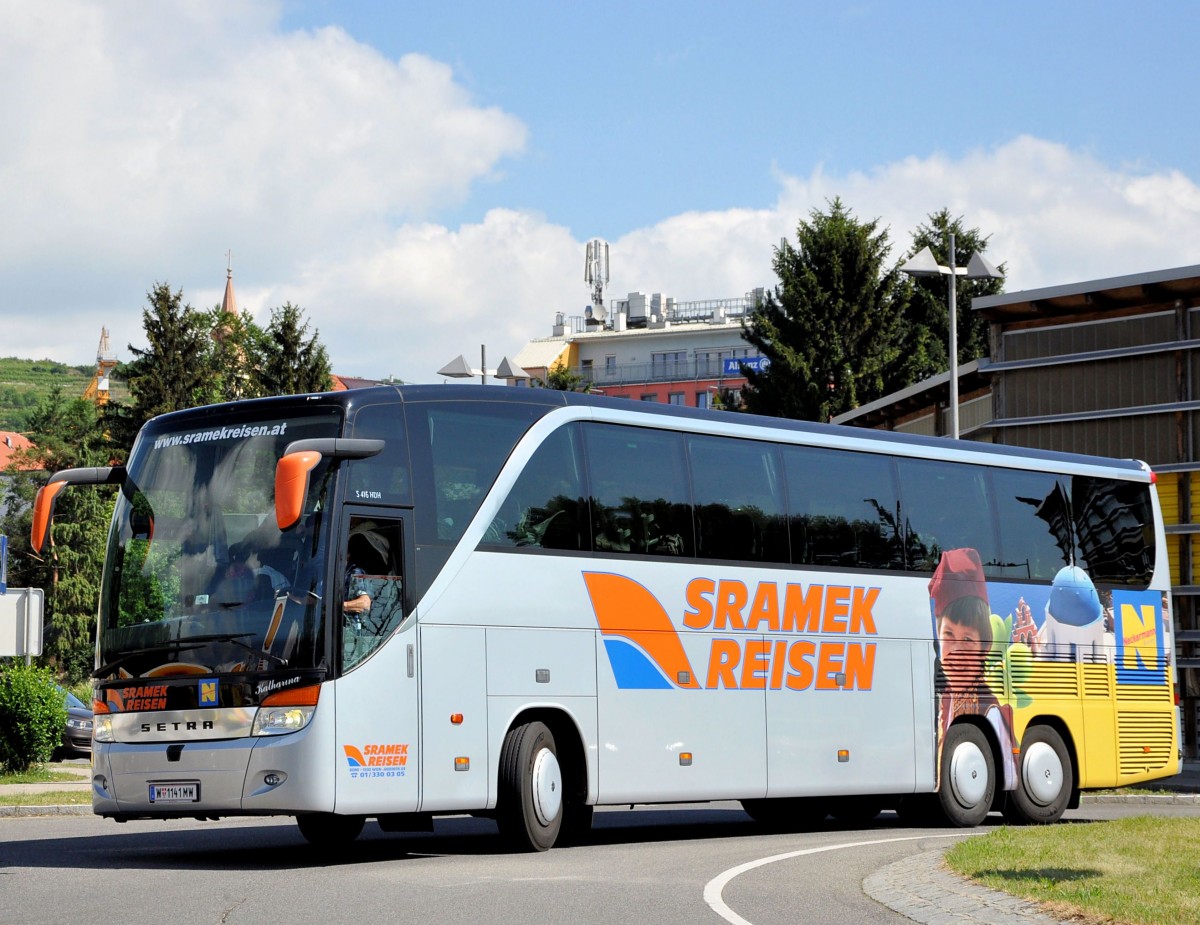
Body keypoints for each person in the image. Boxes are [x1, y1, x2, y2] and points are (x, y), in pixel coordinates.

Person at [928, 547, 1017, 787]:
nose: (956, 652)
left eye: (967, 640)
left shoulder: (991, 712)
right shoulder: (946, 698)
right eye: (948, 635)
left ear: (984, 647)